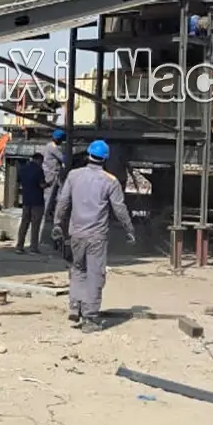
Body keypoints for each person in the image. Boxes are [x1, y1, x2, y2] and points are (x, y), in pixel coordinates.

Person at [51, 139, 135, 333]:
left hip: (76, 234)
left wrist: (57, 223)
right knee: (95, 275)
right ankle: (90, 318)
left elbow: (63, 201)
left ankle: (75, 307)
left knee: (78, 270)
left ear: (88, 154)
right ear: (105, 159)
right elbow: (120, 209)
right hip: (96, 236)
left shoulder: (74, 175)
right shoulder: (110, 181)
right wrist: (129, 229)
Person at [38, 128, 66, 244]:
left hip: (53, 174)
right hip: (50, 174)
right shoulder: (52, 147)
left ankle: (51, 215)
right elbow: (63, 158)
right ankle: (45, 216)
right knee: (49, 196)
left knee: (57, 196)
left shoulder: (49, 146)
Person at [15, 152, 45, 254]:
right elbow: (41, 185)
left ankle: (19, 246)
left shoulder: (23, 169)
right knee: (35, 225)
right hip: (37, 201)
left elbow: (18, 182)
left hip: (26, 200)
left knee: (24, 224)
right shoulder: (39, 170)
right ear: (39, 160)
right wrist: (49, 184)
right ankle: (33, 248)